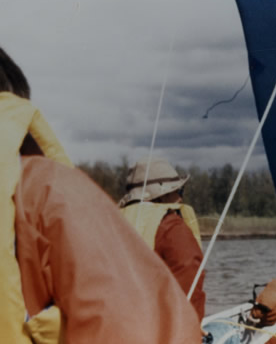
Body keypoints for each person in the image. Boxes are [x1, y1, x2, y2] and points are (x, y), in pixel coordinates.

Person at [0, 46, 202, 343]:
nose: (180, 198)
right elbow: (187, 284)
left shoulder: (121, 213)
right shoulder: (48, 192)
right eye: (176, 191)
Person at [119, 157, 206, 320]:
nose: (180, 198)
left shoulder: (110, 220)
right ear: (161, 195)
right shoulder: (170, 225)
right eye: (178, 191)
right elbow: (190, 282)